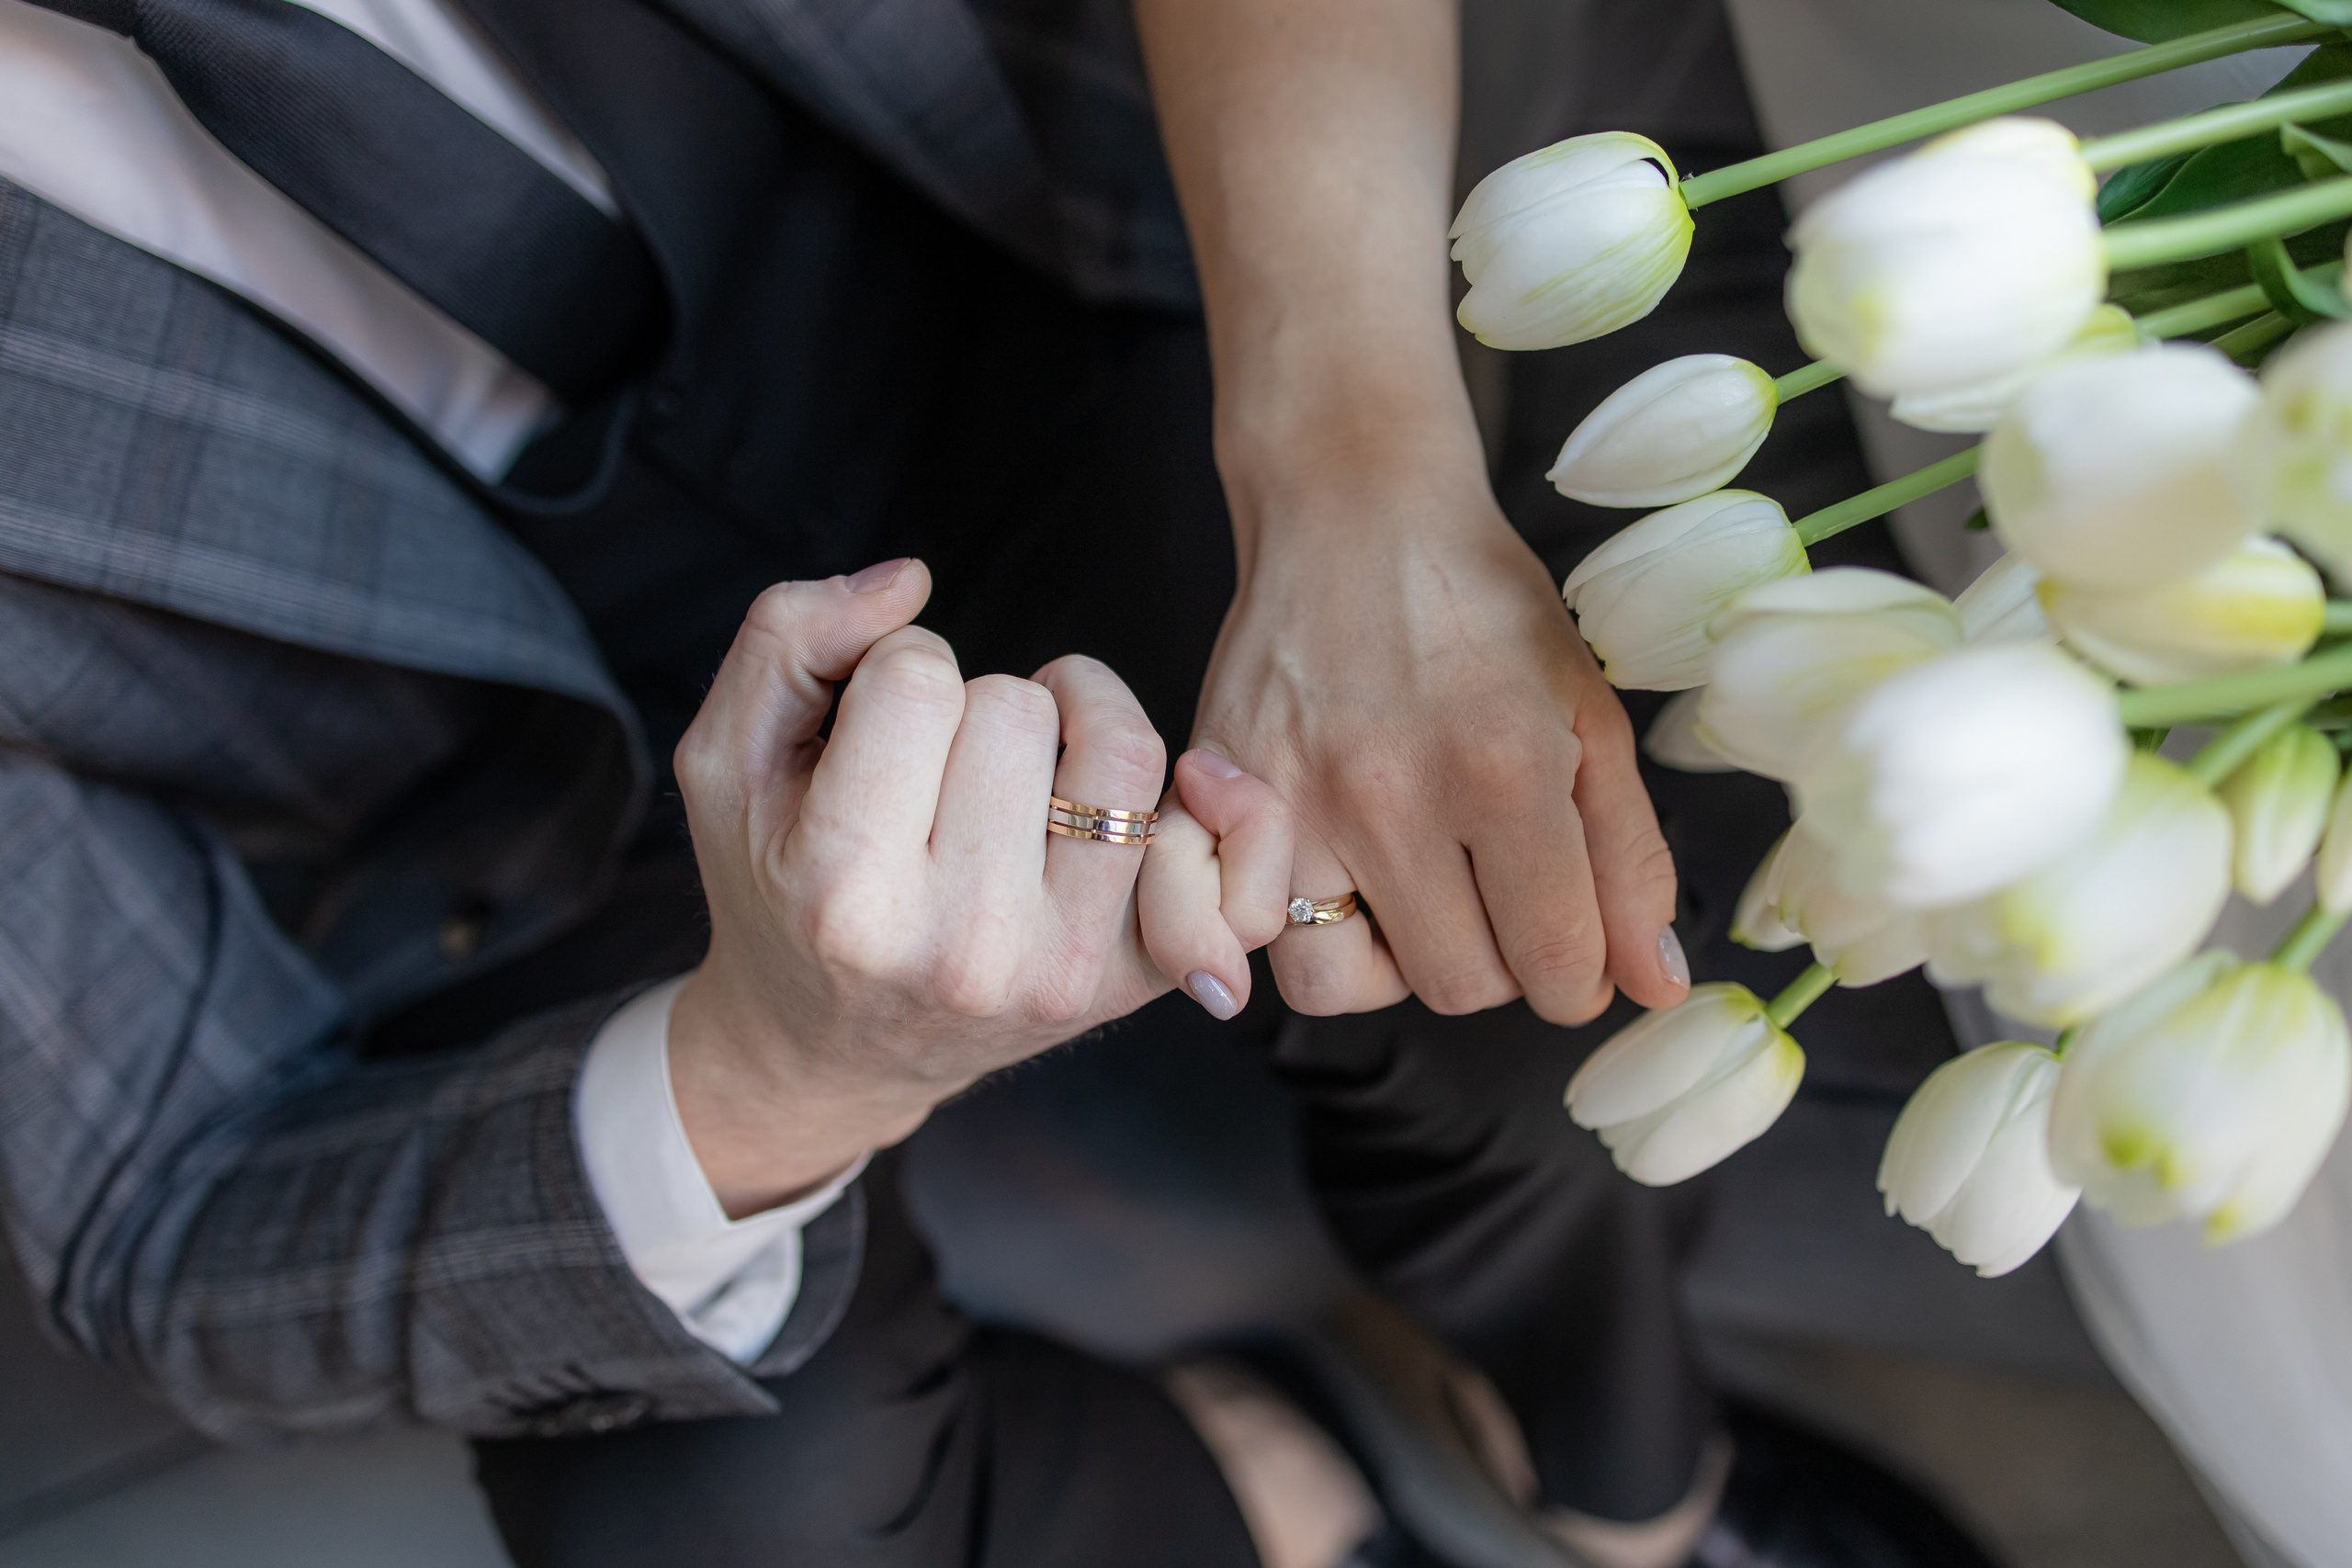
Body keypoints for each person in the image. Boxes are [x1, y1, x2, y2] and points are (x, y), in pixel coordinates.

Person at [0, 0, 1995, 1562]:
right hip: (538, 805)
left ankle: (1610, 1457)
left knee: (1469, 930)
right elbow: (150, 1215)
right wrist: (788, 1063)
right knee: (717, 1537)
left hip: (1071, 295)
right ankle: (1260, 1483)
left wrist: (1346, 461)